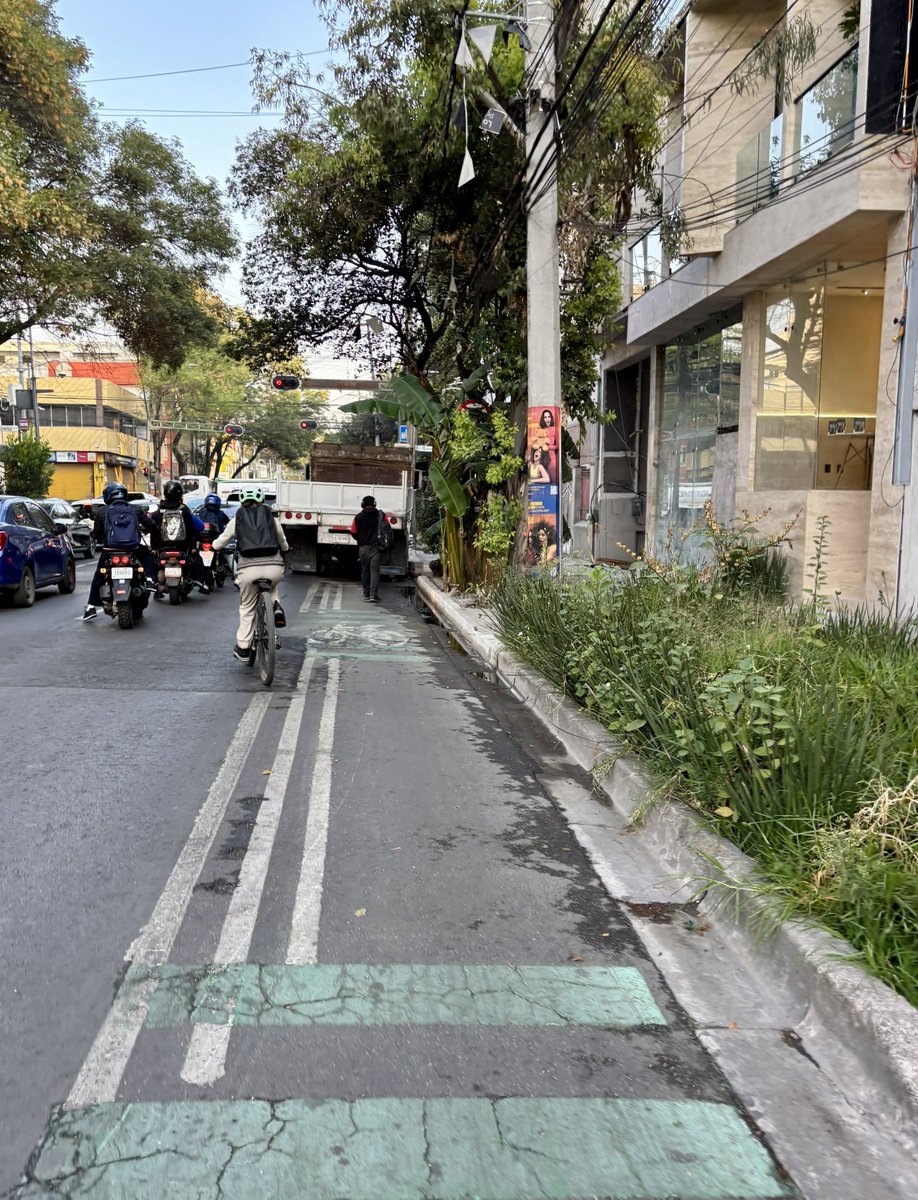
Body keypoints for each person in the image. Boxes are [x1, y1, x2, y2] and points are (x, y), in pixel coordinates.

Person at [213, 486, 288, 661]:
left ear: (242, 501)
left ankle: (244, 648)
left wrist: (213, 546)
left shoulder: (237, 518)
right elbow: (282, 541)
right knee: (273, 585)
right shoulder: (271, 518)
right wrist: (285, 548)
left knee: (247, 607)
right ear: (261, 500)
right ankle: (275, 606)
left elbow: (222, 540)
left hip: (248, 571)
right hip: (274, 568)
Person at [82, 482, 157, 621]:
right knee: (146, 554)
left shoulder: (102, 512)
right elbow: (151, 525)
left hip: (110, 551)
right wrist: (150, 530)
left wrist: (97, 536)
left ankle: (91, 607)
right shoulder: (135, 509)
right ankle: (150, 579)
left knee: (99, 575)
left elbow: (97, 535)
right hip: (133, 549)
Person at [150, 480, 210, 595]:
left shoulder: (158, 512)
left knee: (151, 560)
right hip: (183, 547)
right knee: (197, 558)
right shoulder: (184, 510)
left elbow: (151, 527)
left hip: (161, 548)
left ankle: (154, 582)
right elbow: (199, 526)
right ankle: (200, 581)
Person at [350, 494, 384, 602]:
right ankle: (373, 595)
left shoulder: (358, 517)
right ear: (374, 504)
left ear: (362, 505)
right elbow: (387, 529)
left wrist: (360, 539)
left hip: (363, 548)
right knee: (374, 571)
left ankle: (366, 594)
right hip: (376, 548)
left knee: (365, 570)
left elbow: (353, 532)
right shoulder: (380, 515)